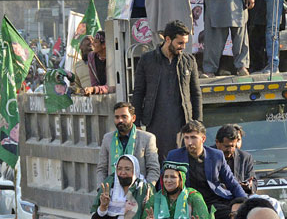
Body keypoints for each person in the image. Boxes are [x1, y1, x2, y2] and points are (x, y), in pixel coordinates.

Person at [132, 20, 202, 162]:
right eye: (180, 43)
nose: (183, 47)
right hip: (155, 122)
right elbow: (138, 92)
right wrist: (136, 122)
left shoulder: (189, 61)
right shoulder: (147, 60)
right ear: (168, 39)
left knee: (182, 163)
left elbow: (196, 93)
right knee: (157, 161)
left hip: (183, 122)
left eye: (185, 43)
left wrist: (198, 124)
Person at [166, 121, 246, 219]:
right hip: (186, 203)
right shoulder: (174, 156)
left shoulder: (216, 155)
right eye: (186, 138)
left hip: (214, 202)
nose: (189, 142)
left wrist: (245, 203)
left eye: (193, 137)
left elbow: (232, 183)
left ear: (203, 139)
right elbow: (163, 183)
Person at [98, 102, 160, 185]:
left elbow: (154, 168)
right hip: (113, 191)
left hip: (139, 191)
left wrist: (147, 189)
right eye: (117, 117)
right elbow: (102, 169)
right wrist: (102, 190)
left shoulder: (147, 138)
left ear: (133, 118)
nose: (120, 120)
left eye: (124, 117)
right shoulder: (107, 138)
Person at [91, 154, 154, 219]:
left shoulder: (144, 189)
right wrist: (102, 207)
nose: (123, 172)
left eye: (127, 169)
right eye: (119, 169)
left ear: (135, 171)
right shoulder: (109, 186)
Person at [215, 124, 257, 194]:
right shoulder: (207, 156)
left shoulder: (245, 157)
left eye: (232, 146)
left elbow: (253, 182)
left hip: (239, 198)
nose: (230, 150)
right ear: (217, 142)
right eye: (226, 146)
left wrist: (248, 185)